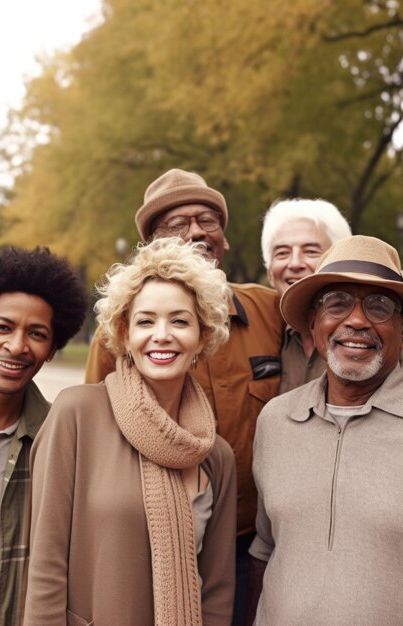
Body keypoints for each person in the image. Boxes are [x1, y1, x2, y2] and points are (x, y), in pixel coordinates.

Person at [85, 168, 284, 625]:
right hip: (147, 539)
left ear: (225, 238)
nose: (197, 231)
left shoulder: (269, 312)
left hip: (245, 545)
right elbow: (96, 436)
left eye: (208, 220)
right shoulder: (115, 336)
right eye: (177, 224)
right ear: (153, 246)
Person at [24, 237, 237, 626]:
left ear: (202, 337)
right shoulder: (77, 414)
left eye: (180, 321)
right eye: (145, 321)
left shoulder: (216, 455)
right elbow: (45, 563)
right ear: (123, 334)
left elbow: (218, 590)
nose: (162, 334)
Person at [248, 235, 403, 625]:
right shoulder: (275, 420)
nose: (356, 320)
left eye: (379, 306)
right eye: (337, 303)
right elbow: (265, 549)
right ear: (314, 322)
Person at [0, 247, 87, 626]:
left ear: (51, 351)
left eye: (37, 334)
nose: (16, 346)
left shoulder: (58, 441)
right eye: (2, 327)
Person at [261, 198, 351, 393]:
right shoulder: (267, 333)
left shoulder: (368, 337)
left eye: (310, 251)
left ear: (341, 261)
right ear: (269, 273)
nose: (294, 263)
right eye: (282, 253)